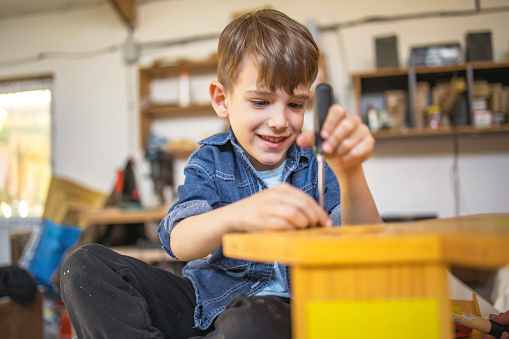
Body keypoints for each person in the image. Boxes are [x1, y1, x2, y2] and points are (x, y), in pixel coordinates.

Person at [60, 8, 380, 339]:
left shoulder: (317, 165)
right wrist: (240, 214)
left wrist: (351, 171)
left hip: (278, 314)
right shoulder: (211, 159)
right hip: (205, 304)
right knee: (83, 266)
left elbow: (366, 242)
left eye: (295, 105)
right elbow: (180, 242)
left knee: (253, 319)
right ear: (222, 99)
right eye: (260, 101)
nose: (280, 121)